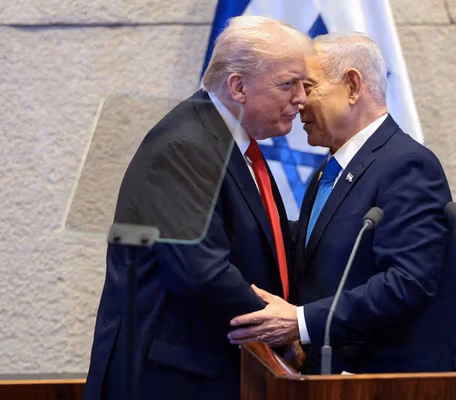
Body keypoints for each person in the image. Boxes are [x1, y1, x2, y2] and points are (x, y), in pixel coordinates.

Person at [83, 16, 310, 400]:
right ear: (238, 86)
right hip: (169, 381)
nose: (302, 98)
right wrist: (277, 326)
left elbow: (259, 238)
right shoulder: (185, 145)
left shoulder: (229, 142)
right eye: (288, 84)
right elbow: (202, 271)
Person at [228, 32, 456, 375]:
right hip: (334, 378)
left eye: (308, 87)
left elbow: (408, 282)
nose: (298, 101)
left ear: (353, 86)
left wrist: (301, 322)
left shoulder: (407, 165)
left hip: (396, 382)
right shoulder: (329, 171)